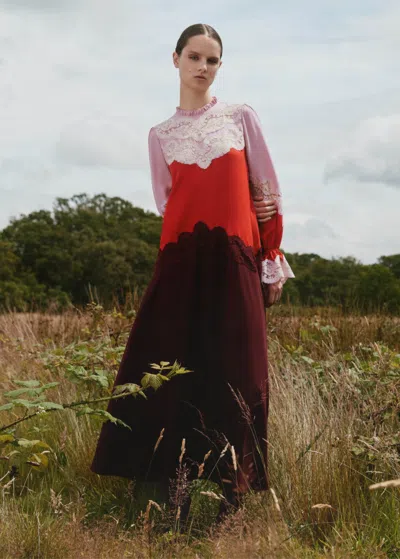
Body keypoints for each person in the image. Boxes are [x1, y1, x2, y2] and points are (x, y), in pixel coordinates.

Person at [90, 23, 295, 507]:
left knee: (239, 374)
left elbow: (266, 194)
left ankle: (233, 495)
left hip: (234, 259)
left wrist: (269, 256)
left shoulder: (240, 117)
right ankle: (170, 489)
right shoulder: (159, 136)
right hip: (181, 263)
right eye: (195, 57)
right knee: (170, 371)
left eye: (213, 60)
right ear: (176, 59)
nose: (203, 67)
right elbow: (168, 202)